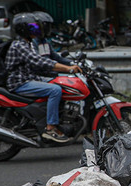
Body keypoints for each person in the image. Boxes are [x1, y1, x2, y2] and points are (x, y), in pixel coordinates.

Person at [6, 13, 80, 143]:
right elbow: (39, 61)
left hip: (30, 79)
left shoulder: (28, 43)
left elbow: (53, 57)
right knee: (55, 90)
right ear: (24, 29)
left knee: (63, 85)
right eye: (32, 27)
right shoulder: (20, 45)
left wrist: (69, 64)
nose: (37, 29)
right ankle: (50, 127)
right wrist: (67, 68)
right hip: (21, 83)